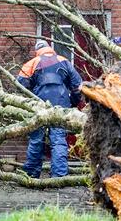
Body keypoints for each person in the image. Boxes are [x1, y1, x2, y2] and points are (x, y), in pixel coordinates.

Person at [17, 39, 82, 178]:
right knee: (58, 139)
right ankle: (59, 176)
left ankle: (31, 175)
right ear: (49, 48)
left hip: (38, 105)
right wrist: (73, 102)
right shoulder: (63, 60)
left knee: (36, 138)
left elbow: (20, 85)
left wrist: (30, 99)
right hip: (60, 103)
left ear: (37, 51)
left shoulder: (32, 63)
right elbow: (77, 85)